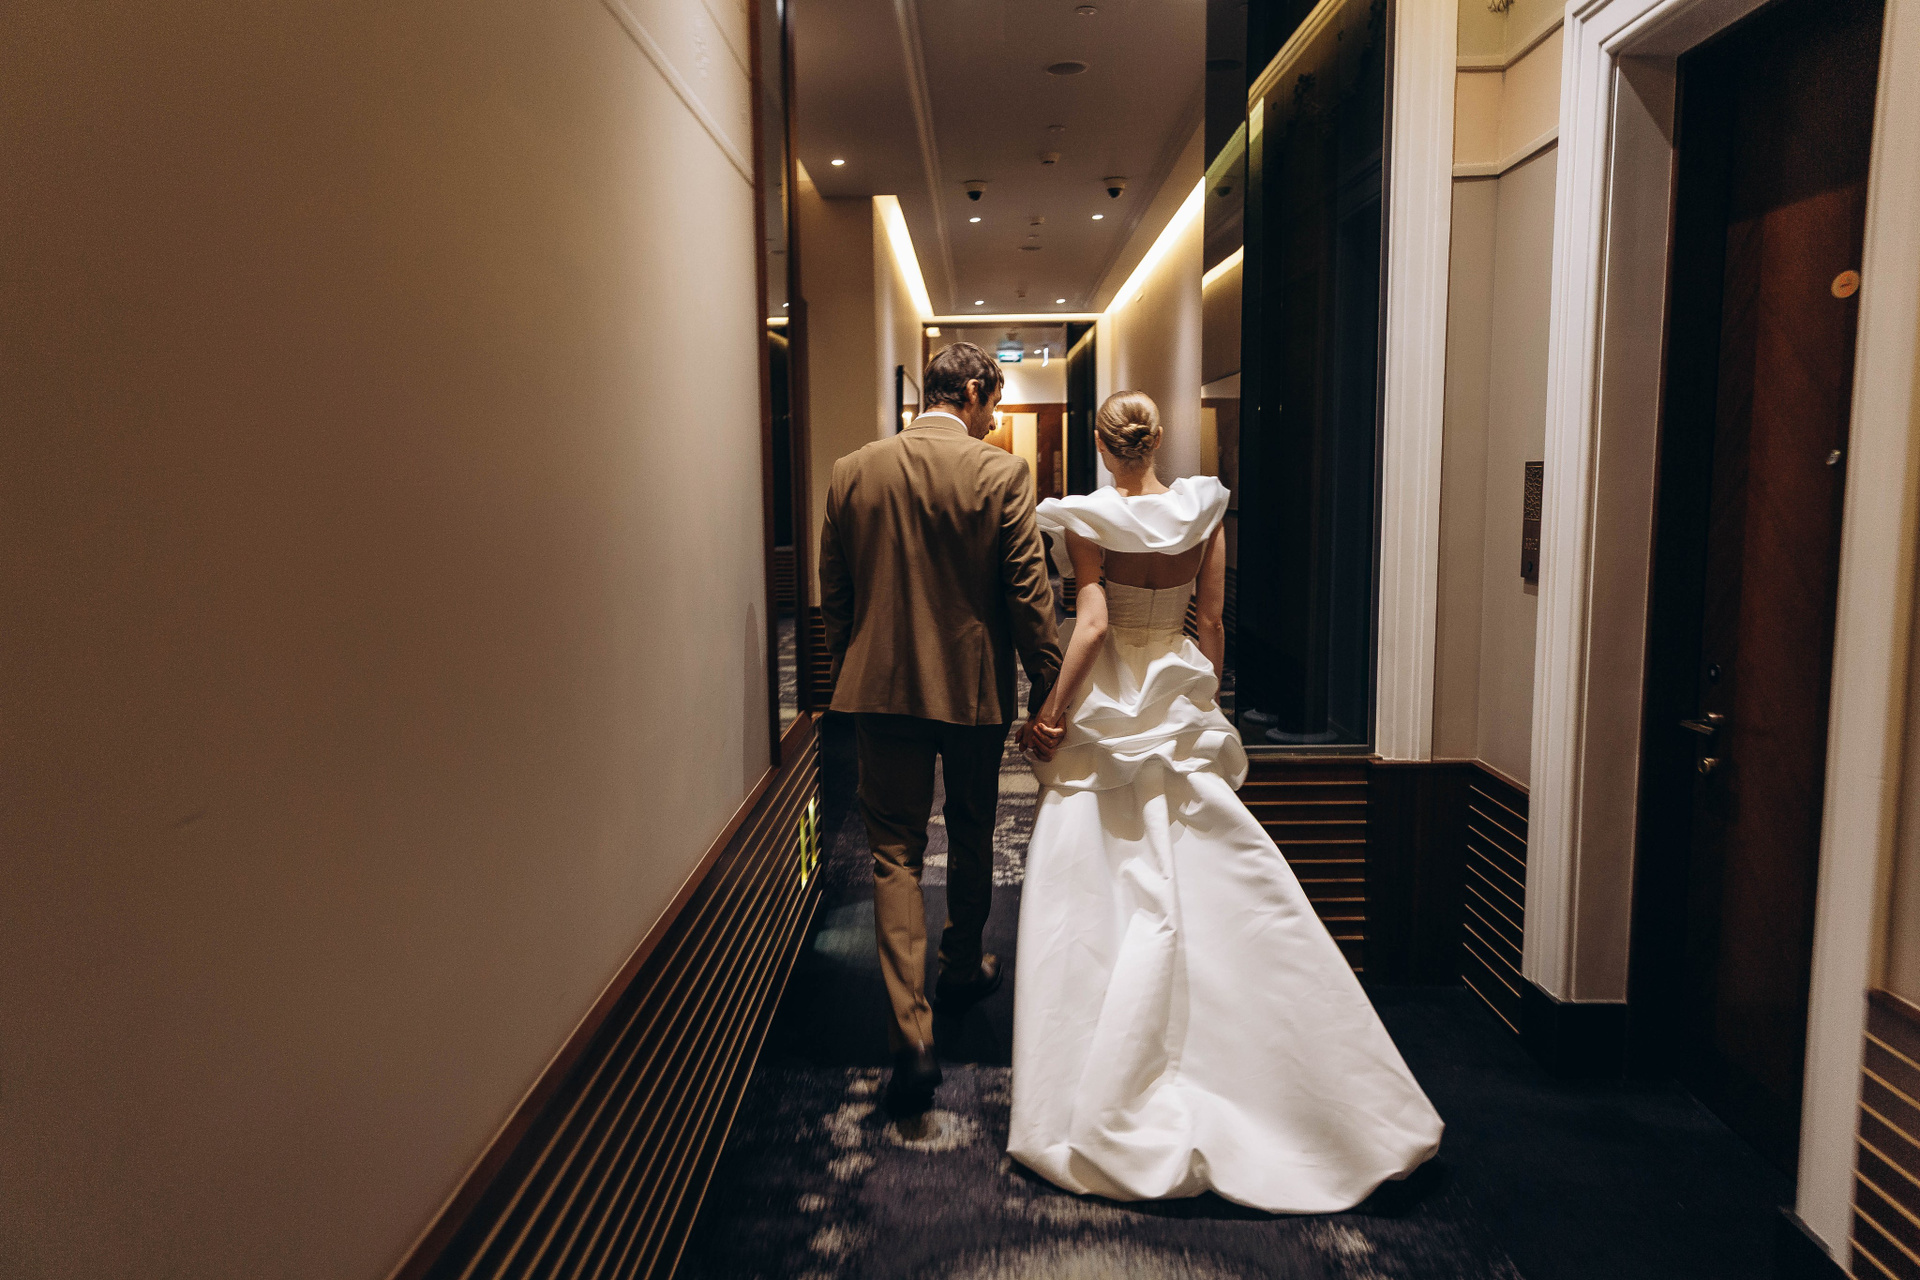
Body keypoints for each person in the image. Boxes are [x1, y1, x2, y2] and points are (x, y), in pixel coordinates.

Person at [1008, 390, 1442, 1212]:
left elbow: (1091, 625)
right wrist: (1201, 704)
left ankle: (1101, 1057)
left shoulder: (1089, 518)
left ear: (1101, 444)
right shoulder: (1204, 509)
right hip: (1174, 692)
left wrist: (1053, 715)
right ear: (1156, 440)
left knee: (1097, 876)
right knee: (1210, 867)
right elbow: (1209, 624)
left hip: (1111, 699)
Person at [818, 342, 1062, 1115]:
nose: (995, 416)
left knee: (892, 852)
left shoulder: (852, 472)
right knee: (971, 830)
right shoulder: (1001, 475)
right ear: (974, 391)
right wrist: (1048, 680)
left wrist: (854, 663)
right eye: (995, 401)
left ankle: (911, 1036)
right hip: (972, 691)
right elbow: (1027, 592)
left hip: (881, 690)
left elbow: (834, 591)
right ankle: (959, 970)